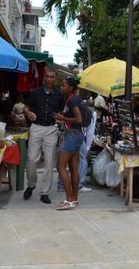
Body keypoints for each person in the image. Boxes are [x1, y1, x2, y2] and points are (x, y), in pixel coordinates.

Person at [23, 68, 65, 204]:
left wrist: (61, 120)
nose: (48, 78)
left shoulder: (59, 95)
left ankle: (45, 192)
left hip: (51, 129)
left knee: (49, 162)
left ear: (55, 80)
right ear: (43, 78)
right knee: (31, 159)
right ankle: (31, 185)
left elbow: (63, 112)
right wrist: (28, 113)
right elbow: (25, 108)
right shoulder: (35, 92)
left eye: (52, 76)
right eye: (47, 76)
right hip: (36, 128)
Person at [53, 77, 84, 210]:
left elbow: (78, 119)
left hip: (73, 135)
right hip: (75, 135)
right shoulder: (72, 99)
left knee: (60, 166)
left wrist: (62, 118)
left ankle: (69, 199)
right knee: (73, 168)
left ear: (71, 87)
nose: (61, 87)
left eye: (64, 85)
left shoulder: (72, 100)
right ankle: (74, 199)